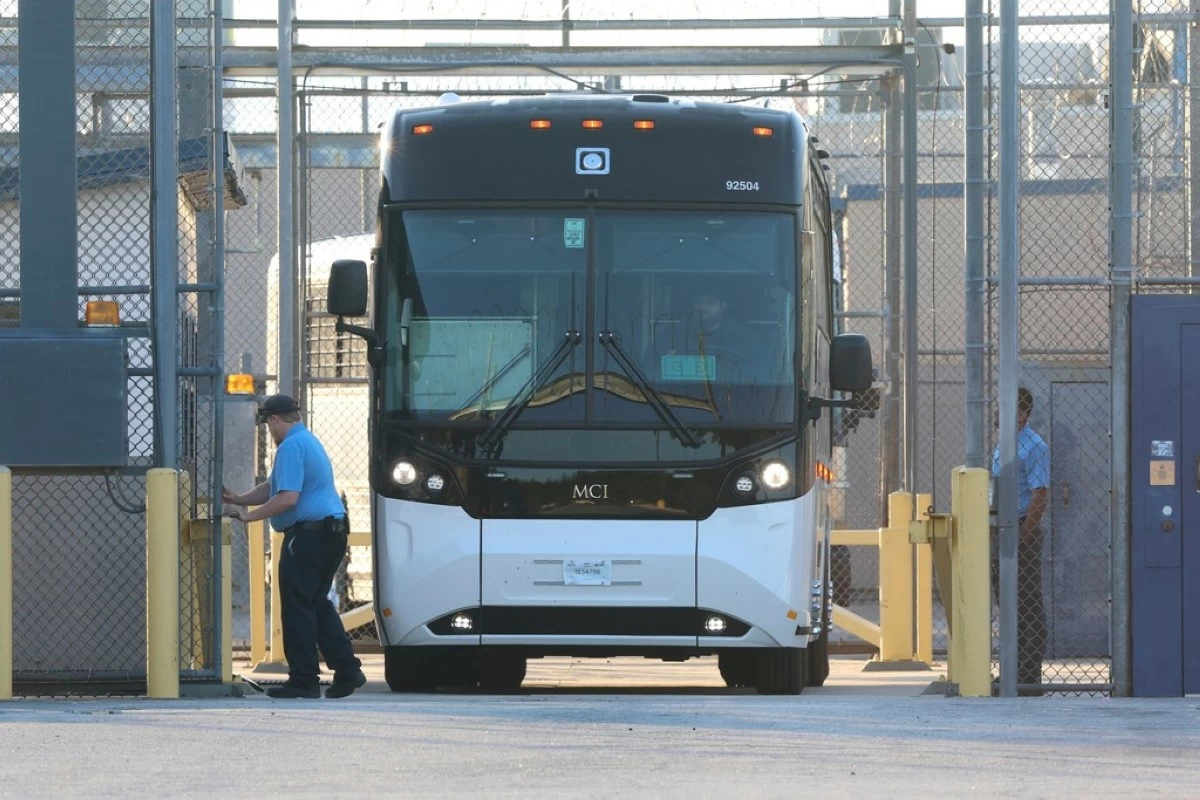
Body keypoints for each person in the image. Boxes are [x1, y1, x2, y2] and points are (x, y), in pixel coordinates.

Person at [224, 394, 366, 700]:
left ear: (275, 419)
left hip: (309, 536)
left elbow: (287, 497)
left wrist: (248, 517)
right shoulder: (306, 441)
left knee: (298, 606)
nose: (269, 432)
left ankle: (304, 679)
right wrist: (239, 499)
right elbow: (272, 487)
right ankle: (347, 669)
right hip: (331, 531)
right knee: (315, 602)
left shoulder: (289, 446)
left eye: (269, 425)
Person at [990, 386, 1050, 696]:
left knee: (1027, 602)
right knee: (1007, 602)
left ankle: (1029, 675)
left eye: (1005, 408)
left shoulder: (1034, 446)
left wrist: (1025, 536)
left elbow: (1041, 493)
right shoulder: (1004, 444)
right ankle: (1011, 671)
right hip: (1001, 529)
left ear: (1022, 414)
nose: (997, 414)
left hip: (1021, 529)